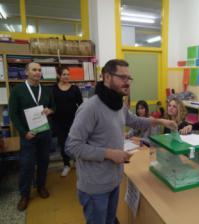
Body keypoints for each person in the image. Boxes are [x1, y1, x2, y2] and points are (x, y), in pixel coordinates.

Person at [65, 59, 177, 224]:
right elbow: (72, 146)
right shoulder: (90, 108)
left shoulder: (118, 105)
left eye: (129, 78)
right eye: (122, 78)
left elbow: (136, 121)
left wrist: (160, 121)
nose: (127, 83)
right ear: (107, 77)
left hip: (114, 181)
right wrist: (109, 154)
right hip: (95, 187)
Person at [9, 62, 55, 211]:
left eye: (39, 70)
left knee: (43, 162)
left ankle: (41, 186)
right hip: (28, 135)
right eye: (34, 70)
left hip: (44, 133)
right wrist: (23, 132)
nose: (37, 72)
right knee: (27, 165)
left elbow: (54, 106)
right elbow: (13, 114)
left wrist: (50, 110)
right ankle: (24, 194)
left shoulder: (47, 90)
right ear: (26, 72)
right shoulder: (18, 90)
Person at [52, 66, 83, 177]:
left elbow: (81, 105)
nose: (66, 76)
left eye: (68, 74)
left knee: (74, 142)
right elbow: (50, 105)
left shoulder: (75, 88)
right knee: (63, 143)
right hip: (58, 122)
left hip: (73, 121)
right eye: (64, 74)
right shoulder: (53, 89)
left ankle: (76, 161)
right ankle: (66, 164)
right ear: (59, 76)